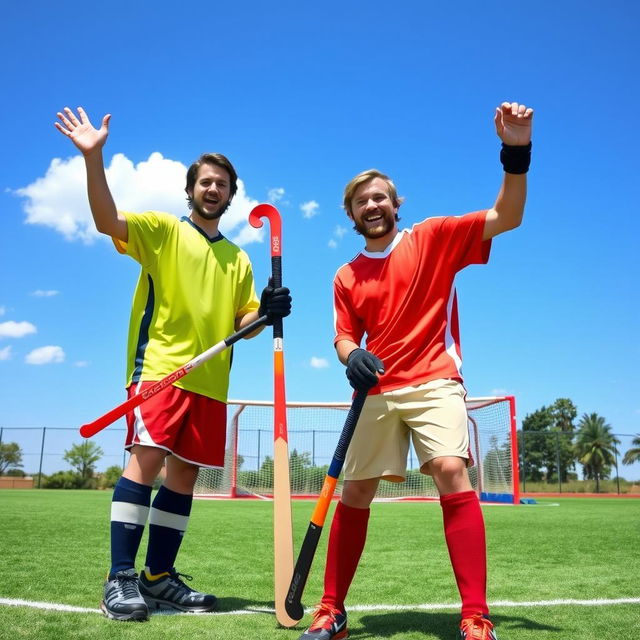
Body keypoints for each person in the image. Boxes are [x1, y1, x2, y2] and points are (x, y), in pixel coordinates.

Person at [298, 102, 533, 640]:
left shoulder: (433, 237)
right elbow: (342, 337)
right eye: (361, 201)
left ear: (397, 204)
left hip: (434, 380)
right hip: (376, 390)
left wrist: (516, 149)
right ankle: (331, 610)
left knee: (453, 471)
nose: (372, 204)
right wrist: (349, 355)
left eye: (380, 196)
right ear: (351, 215)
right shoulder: (345, 275)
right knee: (353, 493)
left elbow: (509, 215)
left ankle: (476, 617)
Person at [55, 107, 292, 622]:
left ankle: (158, 578)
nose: (213, 189)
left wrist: (267, 308)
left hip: (210, 383)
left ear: (232, 195)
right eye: (205, 182)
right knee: (145, 462)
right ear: (191, 191)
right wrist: (94, 158)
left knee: (183, 478)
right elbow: (104, 221)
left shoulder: (240, 259)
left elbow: (245, 322)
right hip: (161, 371)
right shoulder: (162, 232)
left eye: (222, 184)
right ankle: (119, 578)